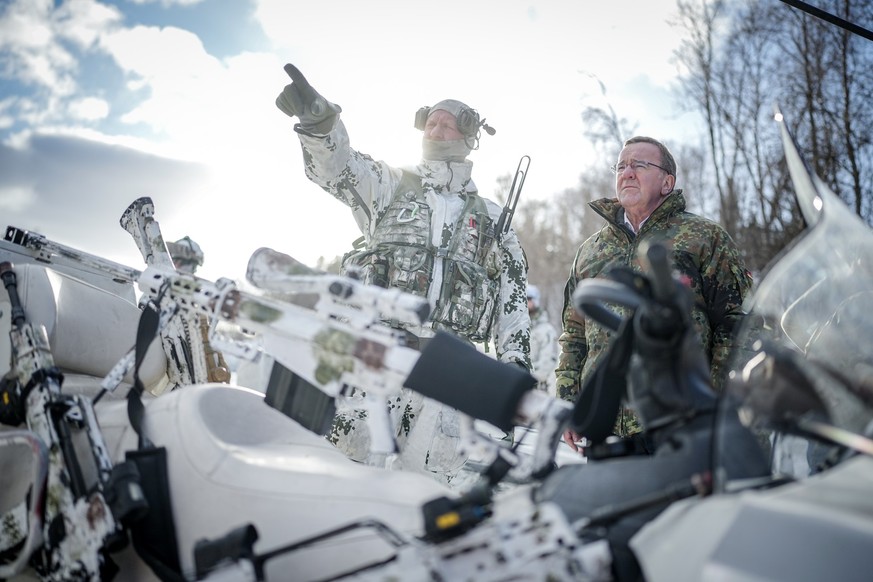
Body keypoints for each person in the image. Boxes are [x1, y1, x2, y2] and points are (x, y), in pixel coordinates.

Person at [275, 63, 531, 487]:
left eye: (448, 124)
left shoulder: (493, 221)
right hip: (373, 361)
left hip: (448, 377)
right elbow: (339, 167)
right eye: (430, 123)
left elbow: (513, 308)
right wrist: (320, 121)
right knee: (343, 480)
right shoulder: (390, 185)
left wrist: (515, 385)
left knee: (427, 498)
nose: (435, 130)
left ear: (470, 138)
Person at [557, 136, 752, 453]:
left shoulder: (705, 238)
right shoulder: (591, 250)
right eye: (621, 166)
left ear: (667, 182)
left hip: (680, 424)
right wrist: (568, 401)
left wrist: (715, 404)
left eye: (639, 165)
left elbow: (736, 326)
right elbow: (574, 333)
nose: (627, 172)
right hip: (605, 427)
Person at [526, 285, 558, 394]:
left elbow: (547, 361)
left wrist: (530, 380)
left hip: (536, 387)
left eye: (529, 299)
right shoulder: (518, 328)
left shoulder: (546, 330)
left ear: (535, 301)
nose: (526, 303)